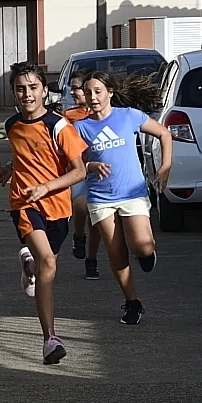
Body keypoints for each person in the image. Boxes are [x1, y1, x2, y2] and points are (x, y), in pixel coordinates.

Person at [0, 61, 87, 365]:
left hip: (58, 208)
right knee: (49, 262)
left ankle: (28, 264)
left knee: (44, 265)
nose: (27, 94)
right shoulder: (12, 125)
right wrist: (11, 169)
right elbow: (26, 157)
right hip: (25, 203)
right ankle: (50, 338)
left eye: (33, 87)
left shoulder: (58, 126)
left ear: (45, 91)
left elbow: (79, 171)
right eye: (21, 89)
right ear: (14, 93)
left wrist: (47, 187)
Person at [74, 71, 172, 325]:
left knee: (142, 245)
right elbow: (70, 165)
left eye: (98, 91)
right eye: (88, 92)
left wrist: (165, 167)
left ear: (110, 92)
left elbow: (164, 134)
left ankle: (145, 254)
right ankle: (132, 302)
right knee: (116, 251)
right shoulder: (80, 128)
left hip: (132, 193)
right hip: (100, 197)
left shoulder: (128, 116)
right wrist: (89, 166)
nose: (93, 97)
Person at [61, 72, 104, 279]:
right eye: (72, 88)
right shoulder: (69, 116)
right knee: (80, 206)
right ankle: (78, 235)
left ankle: (91, 260)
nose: (73, 92)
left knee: (96, 219)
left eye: (77, 88)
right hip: (79, 171)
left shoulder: (103, 113)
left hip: (101, 172)